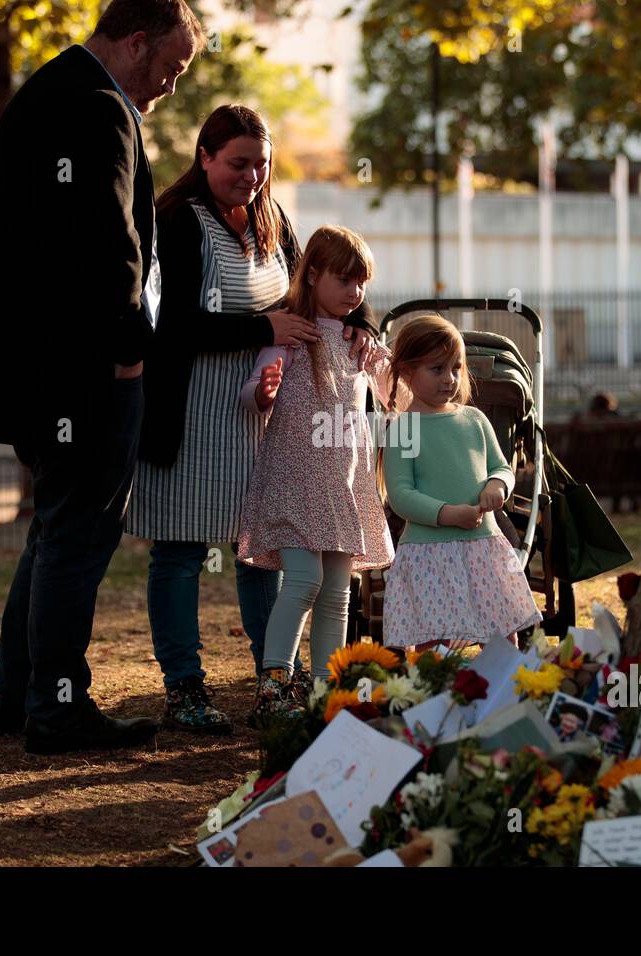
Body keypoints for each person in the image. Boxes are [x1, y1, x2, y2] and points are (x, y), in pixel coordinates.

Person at [0, 0, 206, 754]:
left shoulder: (49, 90)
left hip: (42, 367)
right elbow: (107, 239)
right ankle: (56, 708)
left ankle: (16, 696)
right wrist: (130, 344)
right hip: (85, 369)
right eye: (170, 67)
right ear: (134, 43)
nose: (170, 85)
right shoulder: (98, 108)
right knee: (78, 537)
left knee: (54, 531)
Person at [126, 104, 376, 734]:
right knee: (181, 554)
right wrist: (260, 327)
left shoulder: (271, 220)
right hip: (188, 416)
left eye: (261, 164)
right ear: (205, 158)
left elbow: (311, 291)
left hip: (262, 427)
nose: (252, 177)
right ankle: (185, 688)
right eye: (238, 163)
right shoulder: (178, 221)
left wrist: (363, 326)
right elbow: (170, 325)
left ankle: (279, 680)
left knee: (262, 558)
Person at [236, 226, 394, 725]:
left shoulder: (358, 340)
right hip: (296, 483)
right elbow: (251, 394)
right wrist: (264, 390)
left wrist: (380, 351)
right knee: (302, 580)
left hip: (344, 484)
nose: (355, 293)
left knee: (337, 592)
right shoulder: (293, 333)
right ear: (314, 275)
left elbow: (396, 395)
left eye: (361, 283)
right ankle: (274, 688)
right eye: (345, 281)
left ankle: (328, 692)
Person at [381, 314, 542, 649]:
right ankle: (438, 695)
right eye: (436, 369)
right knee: (434, 637)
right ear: (407, 373)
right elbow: (401, 494)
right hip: (429, 551)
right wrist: (449, 514)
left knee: (501, 630)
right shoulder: (404, 428)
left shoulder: (474, 419)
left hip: (483, 545)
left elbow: (501, 466)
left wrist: (497, 485)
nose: (449, 379)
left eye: (456, 367)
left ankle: (502, 693)